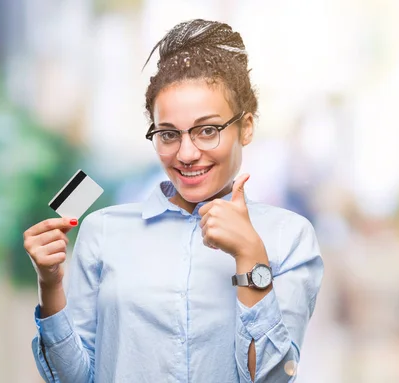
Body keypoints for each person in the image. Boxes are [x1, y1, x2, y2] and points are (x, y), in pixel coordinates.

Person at [23, 19, 324, 383]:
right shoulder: (103, 232)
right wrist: (50, 285)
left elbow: (272, 378)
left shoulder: (288, 236)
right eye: (168, 134)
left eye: (207, 130)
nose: (186, 153)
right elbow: (74, 379)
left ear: (246, 127)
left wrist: (250, 256)